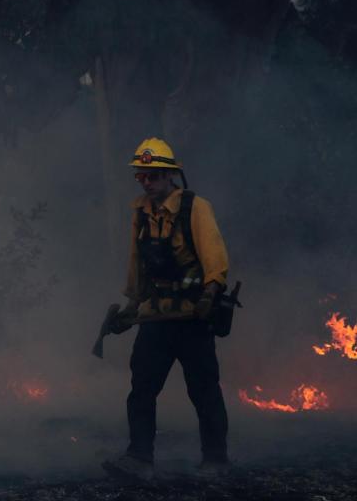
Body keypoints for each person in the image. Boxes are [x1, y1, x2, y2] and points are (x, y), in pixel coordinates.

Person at [102, 137, 231, 480]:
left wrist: (209, 295)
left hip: (192, 318)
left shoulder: (195, 207)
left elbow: (215, 259)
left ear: (170, 175)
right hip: (156, 318)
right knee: (142, 390)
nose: (147, 182)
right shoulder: (141, 214)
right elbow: (137, 266)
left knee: (204, 391)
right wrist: (131, 309)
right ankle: (139, 459)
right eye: (142, 176)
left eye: (154, 175)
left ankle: (216, 461)